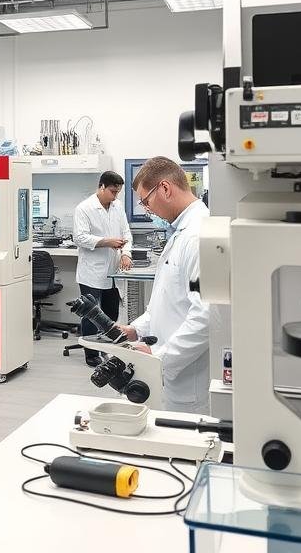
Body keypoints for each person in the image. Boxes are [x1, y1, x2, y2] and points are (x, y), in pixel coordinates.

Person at [118, 156, 210, 414]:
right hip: (171, 372)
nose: (148, 211)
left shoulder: (197, 237)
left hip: (188, 379)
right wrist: (134, 330)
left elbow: (206, 317)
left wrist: (160, 357)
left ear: (165, 189)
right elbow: (167, 302)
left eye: (146, 202)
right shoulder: (181, 233)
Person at [73, 171, 132, 367]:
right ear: (101, 187)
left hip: (113, 270)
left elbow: (126, 234)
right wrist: (106, 242)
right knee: (92, 314)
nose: (115, 196)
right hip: (92, 272)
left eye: (118, 192)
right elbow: (79, 238)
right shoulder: (84, 208)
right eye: (113, 192)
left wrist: (126, 253)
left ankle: (105, 348)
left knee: (110, 312)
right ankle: (91, 354)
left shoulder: (118, 206)